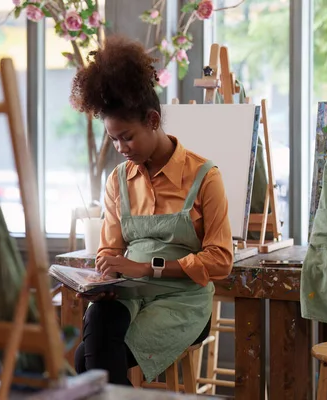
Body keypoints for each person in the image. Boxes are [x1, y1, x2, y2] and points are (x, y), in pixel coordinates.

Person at [69, 36, 234, 386]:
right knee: (99, 317)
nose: (120, 148)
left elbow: (221, 260)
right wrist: (108, 269)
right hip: (131, 294)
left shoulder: (205, 176)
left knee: (87, 357)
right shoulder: (119, 180)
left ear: (153, 119)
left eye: (127, 137)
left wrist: (147, 267)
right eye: (113, 140)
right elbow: (111, 247)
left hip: (182, 301)